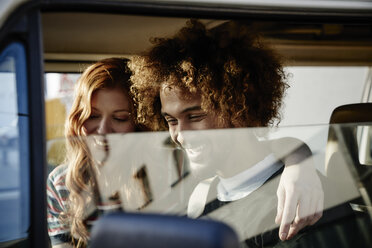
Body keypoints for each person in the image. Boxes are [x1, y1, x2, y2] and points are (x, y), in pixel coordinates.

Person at [128, 20, 324, 244]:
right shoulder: (202, 195)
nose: (180, 135)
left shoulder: (299, 201)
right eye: (171, 120)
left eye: (195, 117)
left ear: (240, 110)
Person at [47, 58, 140, 248]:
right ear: (77, 119)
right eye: (93, 116)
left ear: (138, 124)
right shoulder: (61, 183)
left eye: (120, 118)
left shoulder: (161, 172)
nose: (104, 130)